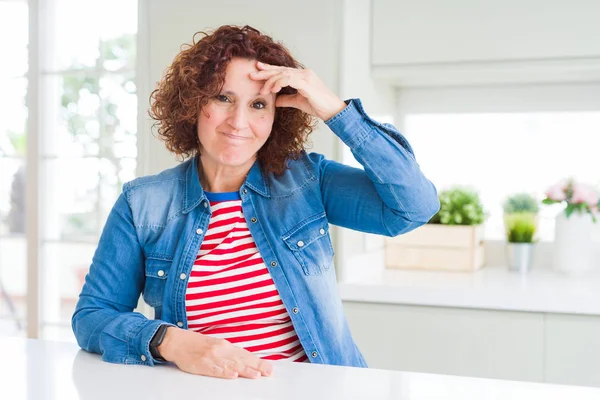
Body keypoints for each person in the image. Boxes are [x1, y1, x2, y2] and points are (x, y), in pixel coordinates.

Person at [72, 25, 439, 380]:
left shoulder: (308, 181)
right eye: (223, 98)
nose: (239, 121)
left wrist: (333, 109)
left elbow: (414, 207)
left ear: (277, 115)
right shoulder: (143, 204)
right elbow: (92, 315)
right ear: (192, 102)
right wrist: (171, 342)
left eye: (259, 104)